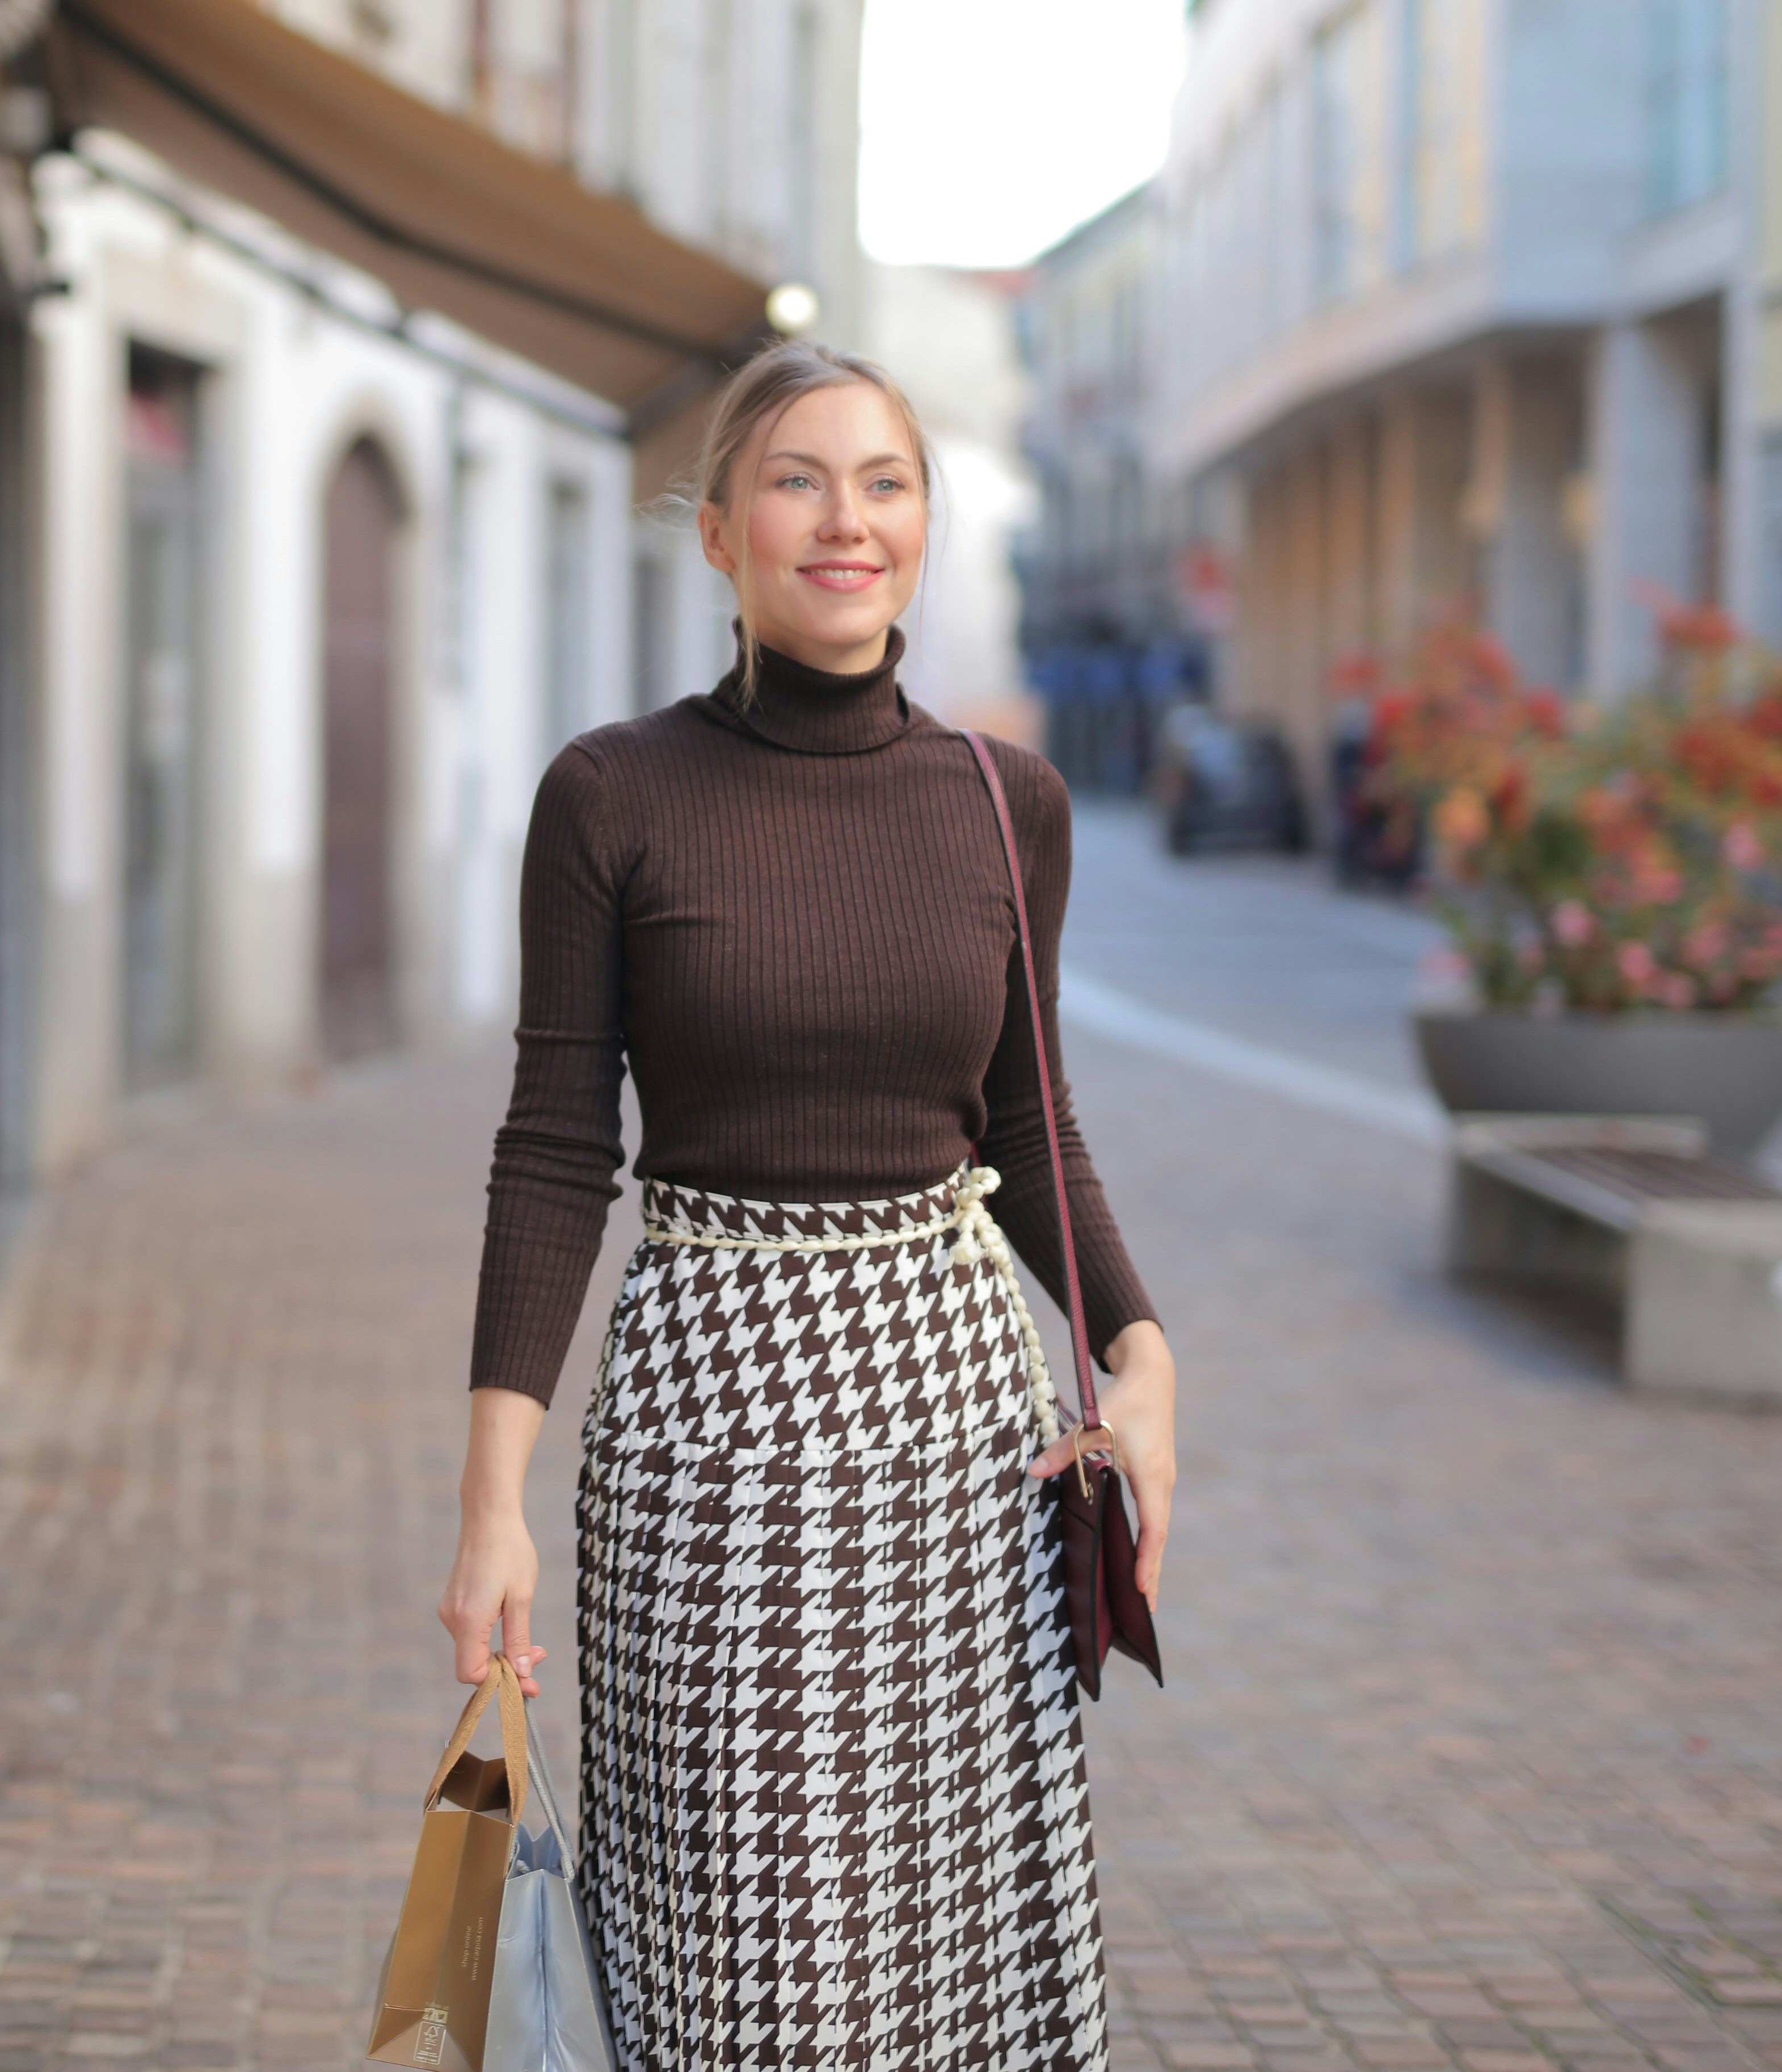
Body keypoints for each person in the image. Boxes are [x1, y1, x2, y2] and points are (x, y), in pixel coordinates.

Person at [438, 338, 1181, 2069]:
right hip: (705, 1426)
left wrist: (1140, 1348)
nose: (844, 521)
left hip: (953, 1441)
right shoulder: (611, 795)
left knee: (934, 1963)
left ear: (923, 522)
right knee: (720, 1954)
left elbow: (1027, 1117)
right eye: (796, 479)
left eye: (884, 481)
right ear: (716, 534)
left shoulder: (1011, 806)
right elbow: (554, 1140)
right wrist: (492, 1499)